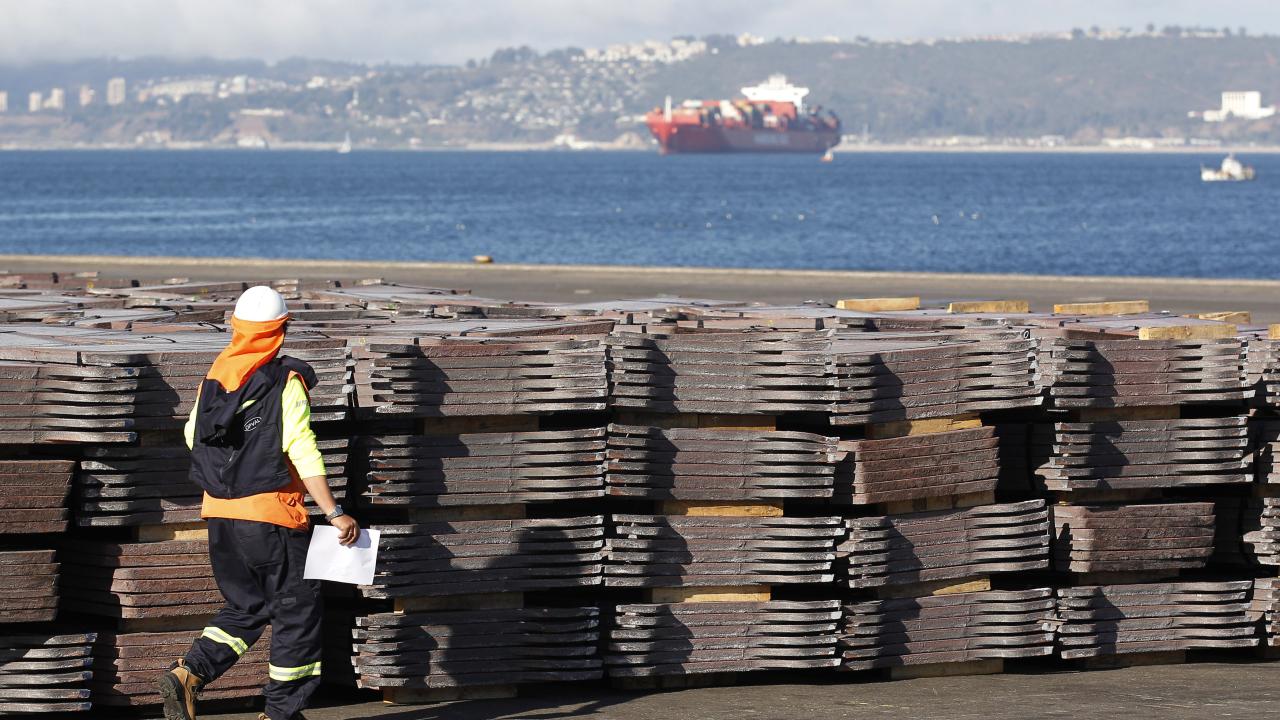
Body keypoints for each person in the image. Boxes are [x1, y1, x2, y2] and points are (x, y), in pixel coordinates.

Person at [158, 286, 359, 720]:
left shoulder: (215, 378)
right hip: (270, 520)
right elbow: (302, 449)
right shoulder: (285, 381)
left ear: (236, 326)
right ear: (282, 329)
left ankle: (189, 673)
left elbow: (193, 436)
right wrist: (335, 511)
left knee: (247, 606)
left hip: (221, 516)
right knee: (297, 612)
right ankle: (282, 713)